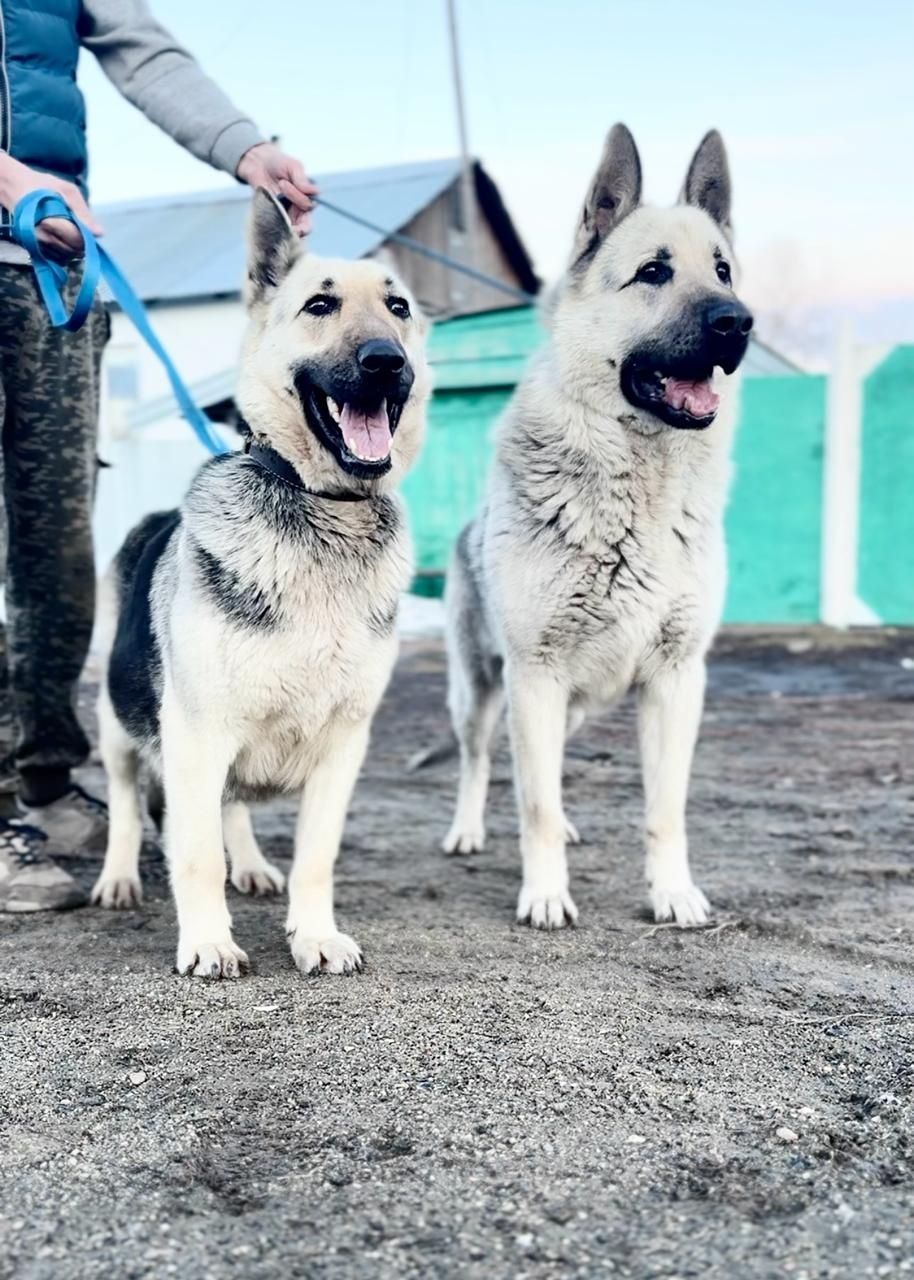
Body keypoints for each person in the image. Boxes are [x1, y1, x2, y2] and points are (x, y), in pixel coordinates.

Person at [0, 0, 316, 912]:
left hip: (48, 267)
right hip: (25, 209)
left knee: (56, 545)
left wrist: (245, 149)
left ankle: (47, 786)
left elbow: (141, 47)